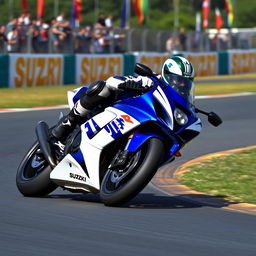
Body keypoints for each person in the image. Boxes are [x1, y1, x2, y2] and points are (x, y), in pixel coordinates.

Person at [52, 56, 195, 144]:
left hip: (138, 119)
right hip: (116, 106)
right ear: (167, 75)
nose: (182, 84)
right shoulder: (151, 80)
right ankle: (68, 121)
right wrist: (126, 83)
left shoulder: (180, 97)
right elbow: (113, 80)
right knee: (102, 87)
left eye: (185, 82)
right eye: (178, 80)